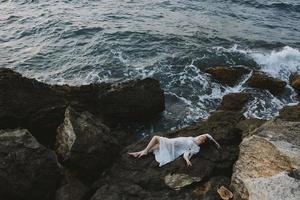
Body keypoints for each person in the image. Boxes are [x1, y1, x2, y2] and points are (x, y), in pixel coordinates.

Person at [128, 133, 221, 167]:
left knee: (156, 137)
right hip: (173, 141)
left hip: (173, 145)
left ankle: (144, 151)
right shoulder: (197, 138)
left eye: (202, 138)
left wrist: (187, 160)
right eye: (202, 136)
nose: (201, 136)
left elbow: (186, 153)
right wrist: (216, 143)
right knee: (159, 145)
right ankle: (140, 152)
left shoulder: (195, 148)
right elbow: (209, 135)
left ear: (203, 142)